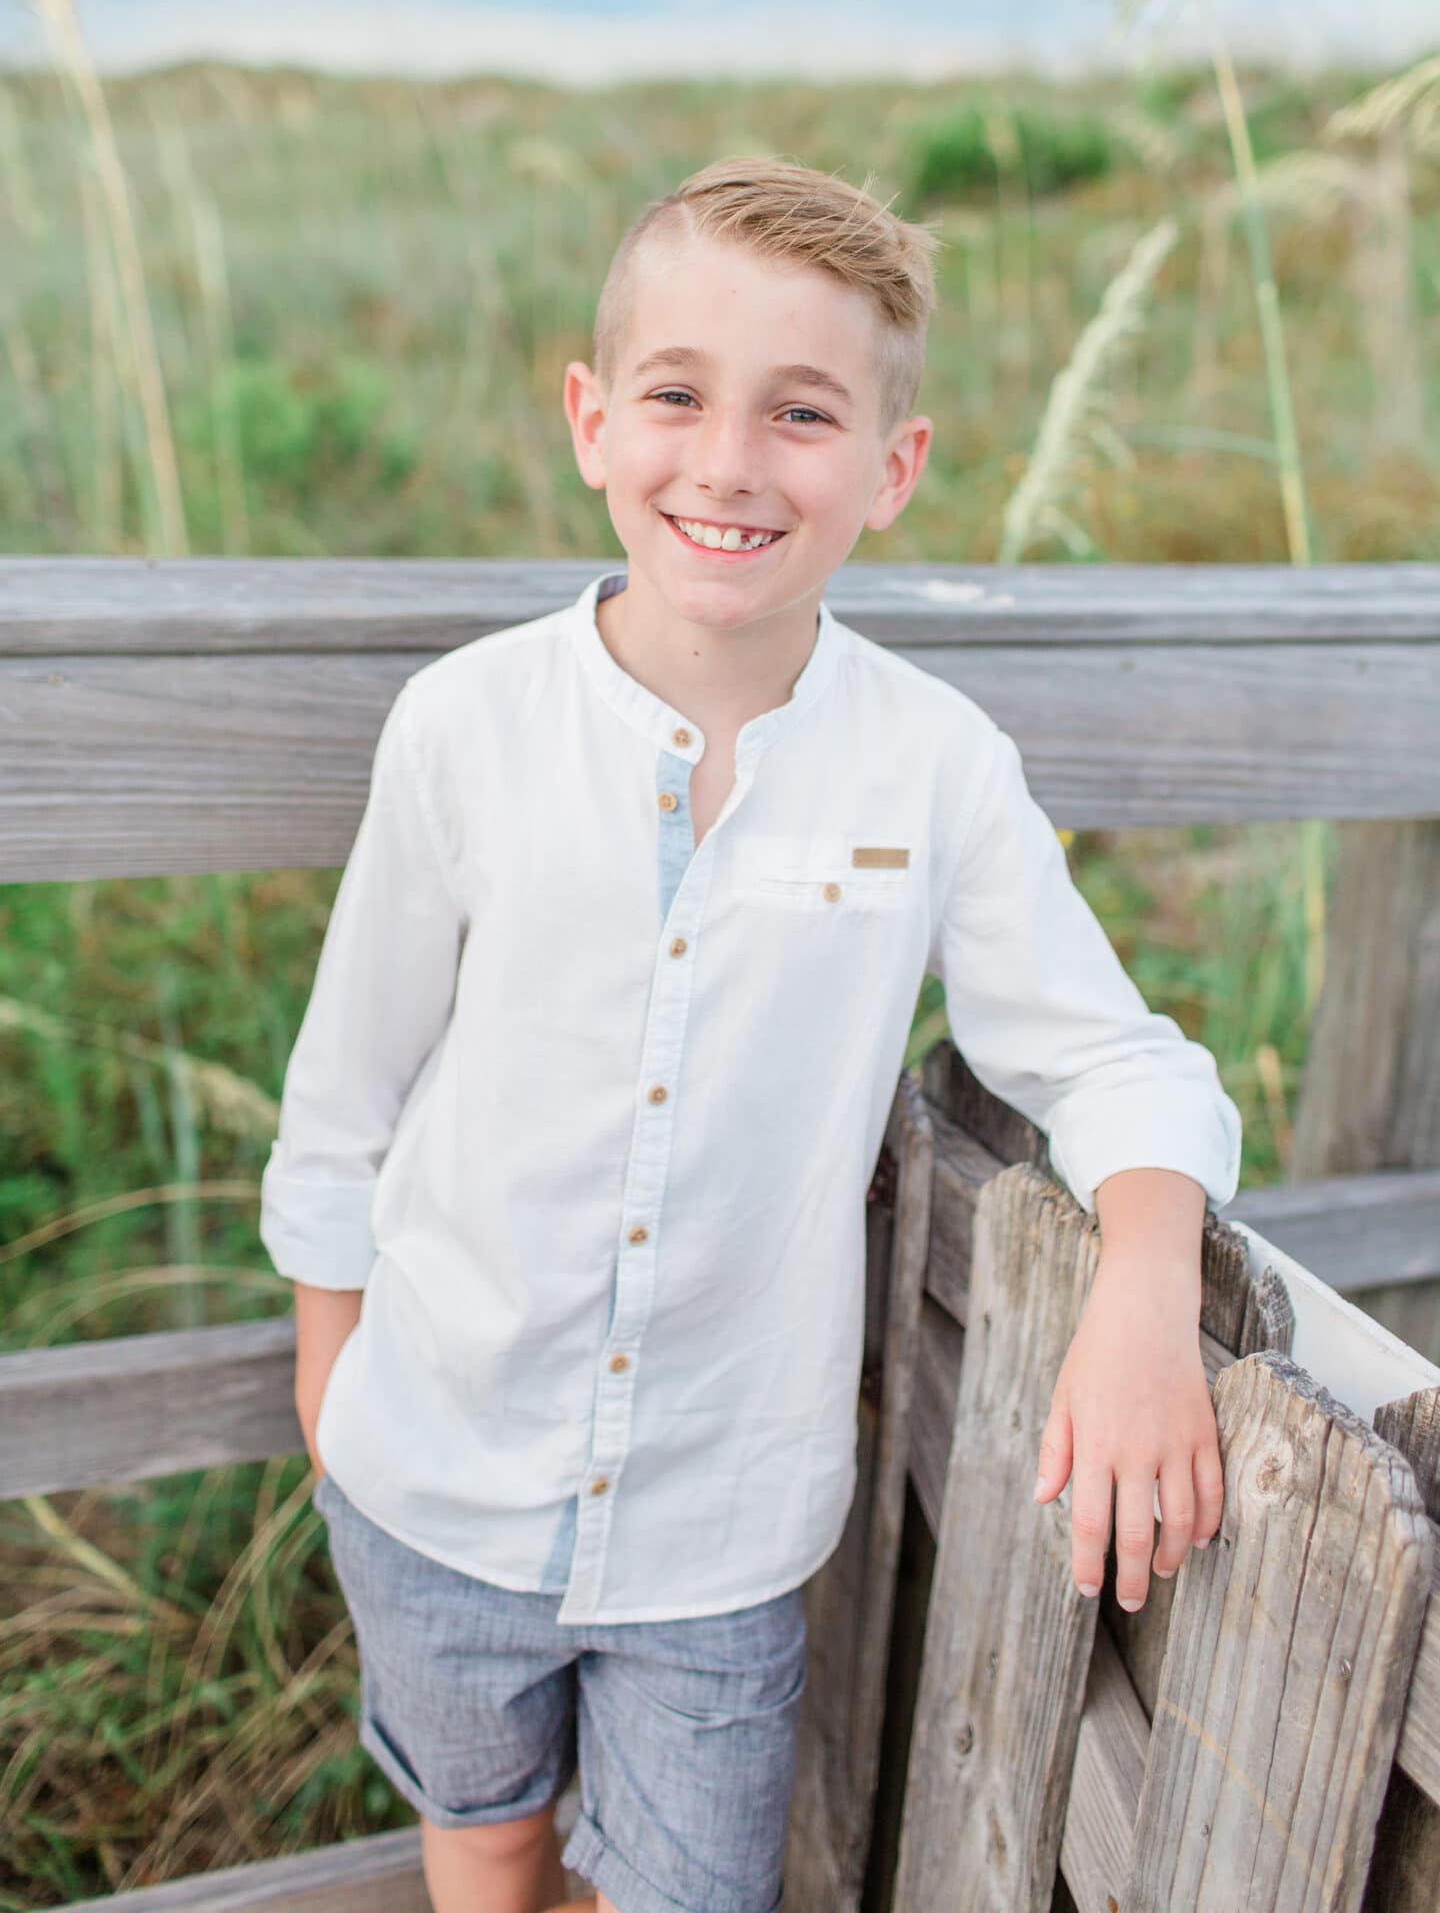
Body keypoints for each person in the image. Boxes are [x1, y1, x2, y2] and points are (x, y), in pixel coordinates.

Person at [259, 155, 1242, 1913]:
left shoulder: (933, 769)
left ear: (893, 470)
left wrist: (1148, 1297)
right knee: (481, 1842)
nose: (726, 461)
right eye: (677, 396)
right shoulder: (464, 729)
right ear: (589, 420)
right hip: (433, 1472)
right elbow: (347, 1091)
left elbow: (1115, 1058)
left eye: (802, 412)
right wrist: (338, 1383)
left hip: (721, 1524)